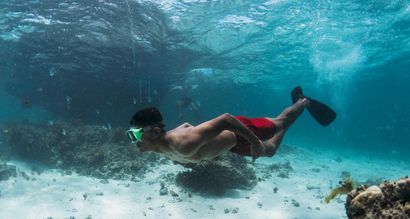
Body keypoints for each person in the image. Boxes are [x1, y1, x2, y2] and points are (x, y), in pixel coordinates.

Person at [126, 87, 337, 164]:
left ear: (154, 132)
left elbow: (227, 118)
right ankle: (290, 120)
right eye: (130, 135)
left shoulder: (182, 143)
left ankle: (302, 101)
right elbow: (188, 124)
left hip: (239, 129)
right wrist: (210, 146)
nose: (133, 141)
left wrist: (254, 141)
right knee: (271, 151)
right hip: (231, 144)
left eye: (135, 134)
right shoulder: (159, 147)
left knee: (281, 121)